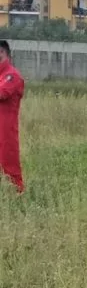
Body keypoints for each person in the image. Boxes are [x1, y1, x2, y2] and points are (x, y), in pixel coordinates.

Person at [0, 40, 25, 193]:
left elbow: (2, 93)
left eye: (0, 53)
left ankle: (17, 193)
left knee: (9, 162)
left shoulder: (12, 75)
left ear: (7, 54)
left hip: (6, 129)